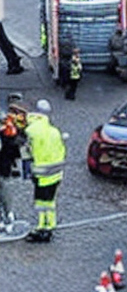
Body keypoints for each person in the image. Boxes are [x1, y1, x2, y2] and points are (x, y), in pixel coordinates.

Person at [25, 99, 66, 243]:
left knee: (41, 202)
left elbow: (27, 150)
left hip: (41, 175)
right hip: (56, 174)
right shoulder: (54, 132)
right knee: (50, 202)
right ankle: (50, 226)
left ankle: (41, 227)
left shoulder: (31, 130)